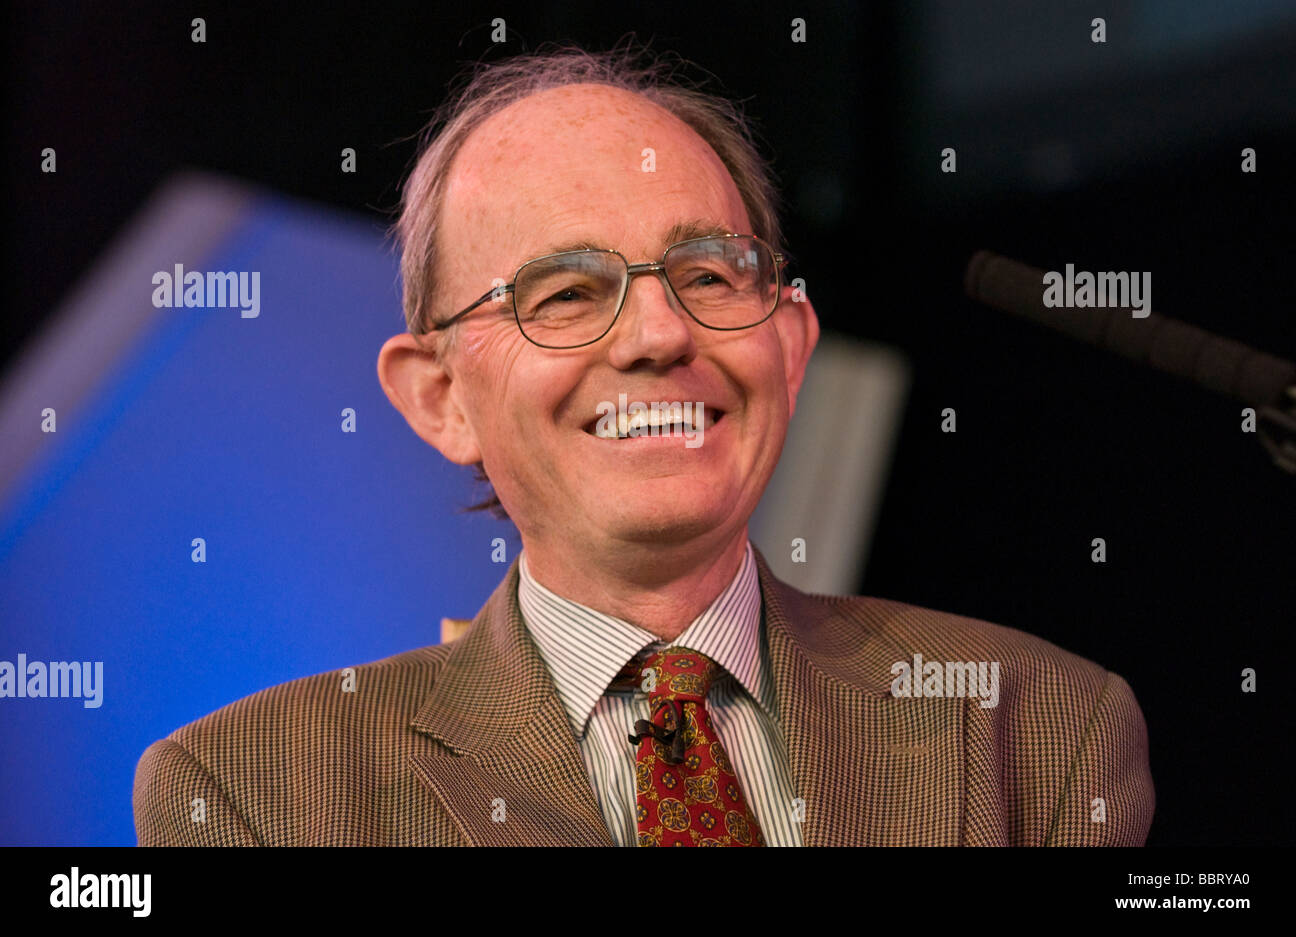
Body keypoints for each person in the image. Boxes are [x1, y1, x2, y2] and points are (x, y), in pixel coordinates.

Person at [134, 44, 1154, 846]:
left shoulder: (1036, 727)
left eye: (709, 275)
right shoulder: (255, 791)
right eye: (567, 293)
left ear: (791, 349)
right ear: (439, 396)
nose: (662, 335)